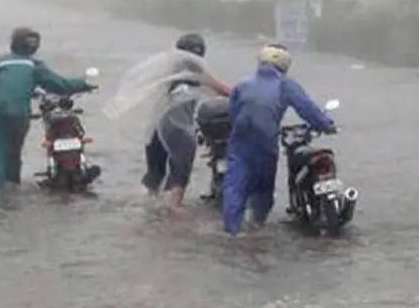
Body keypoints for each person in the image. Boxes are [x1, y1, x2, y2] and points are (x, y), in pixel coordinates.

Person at [104, 32, 231, 209]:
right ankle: (172, 217)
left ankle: (143, 211)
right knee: (180, 177)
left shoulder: (166, 72)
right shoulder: (195, 72)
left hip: (155, 127)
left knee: (154, 176)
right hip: (176, 129)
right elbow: (224, 90)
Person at [222, 43, 335, 235]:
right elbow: (308, 110)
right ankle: (256, 229)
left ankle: (232, 232)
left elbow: (233, 114)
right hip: (265, 142)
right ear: (284, 65)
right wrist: (327, 125)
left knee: (235, 186)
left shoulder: (242, 85)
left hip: (240, 142)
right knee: (263, 188)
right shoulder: (286, 85)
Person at [0, 27, 97, 191]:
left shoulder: (1, 62)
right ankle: (11, 188)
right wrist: (86, 84)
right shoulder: (34, 65)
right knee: (14, 153)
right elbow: (60, 85)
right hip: (20, 114)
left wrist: (17, 93)